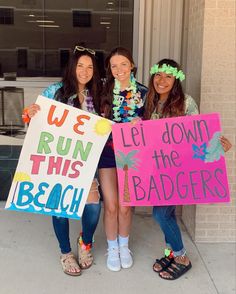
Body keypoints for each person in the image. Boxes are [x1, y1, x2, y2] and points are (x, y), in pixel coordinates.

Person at [143, 58, 232, 280]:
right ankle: (171, 252)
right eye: (158, 75)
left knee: (160, 213)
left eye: (168, 76)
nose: (162, 80)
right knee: (168, 213)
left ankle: (182, 256)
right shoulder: (148, 101)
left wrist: (219, 147)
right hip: (156, 170)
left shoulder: (186, 103)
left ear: (177, 80)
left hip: (176, 170)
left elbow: (197, 135)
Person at [24, 46, 102, 276]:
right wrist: (32, 112)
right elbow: (33, 119)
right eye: (80, 65)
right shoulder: (55, 91)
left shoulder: (96, 94)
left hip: (85, 161)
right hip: (57, 161)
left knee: (93, 205)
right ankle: (66, 252)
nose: (85, 71)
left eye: (90, 67)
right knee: (59, 207)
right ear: (72, 67)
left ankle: (85, 242)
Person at [98, 47, 148, 271]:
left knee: (126, 206)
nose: (119, 70)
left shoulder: (145, 93)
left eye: (123, 64)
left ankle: (124, 245)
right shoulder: (102, 91)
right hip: (107, 153)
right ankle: (112, 248)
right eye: (114, 65)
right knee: (111, 205)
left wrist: (142, 124)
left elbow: (154, 123)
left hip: (132, 156)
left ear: (132, 65)